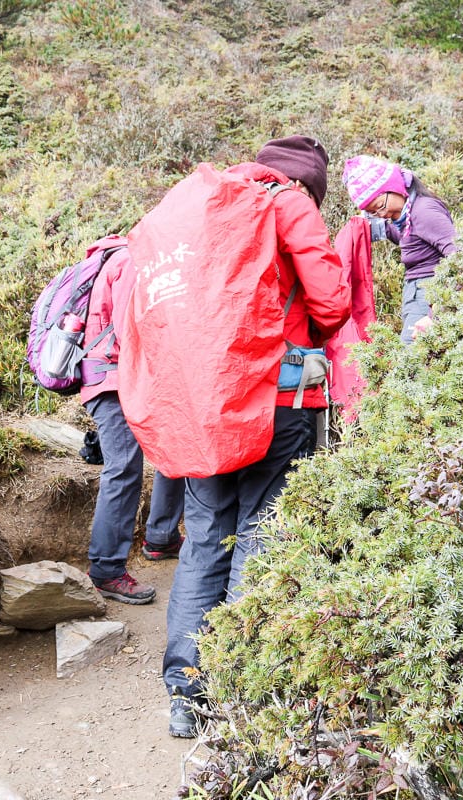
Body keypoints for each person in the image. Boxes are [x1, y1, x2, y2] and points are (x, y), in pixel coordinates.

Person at [161, 136, 351, 737]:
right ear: (310, 181)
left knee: (203, 541)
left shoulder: (202, 203)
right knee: (261, 535)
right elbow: (332, 301)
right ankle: (242, 685)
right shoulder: (289, 203)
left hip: (204, 401)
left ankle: (186, 694)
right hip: (278, 398)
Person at [79, 237, 184, 604]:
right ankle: (106, 569)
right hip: (113, 378)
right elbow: (130, 331)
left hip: (121, 375)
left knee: (176, 444)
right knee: (123, 468)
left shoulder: (117, 257)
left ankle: (161, 537)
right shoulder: (129, 261)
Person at [339, 156, 456, 345]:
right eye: (374, 212)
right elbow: (404, 236)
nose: (383, 215)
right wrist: (362, 229)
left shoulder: (424, 212)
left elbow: (460, 259)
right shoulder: (406, 214)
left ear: (393, 187)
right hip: (416, 295)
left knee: (410, 364)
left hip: (428, 298)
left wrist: (435, 315)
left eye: (380, 207)